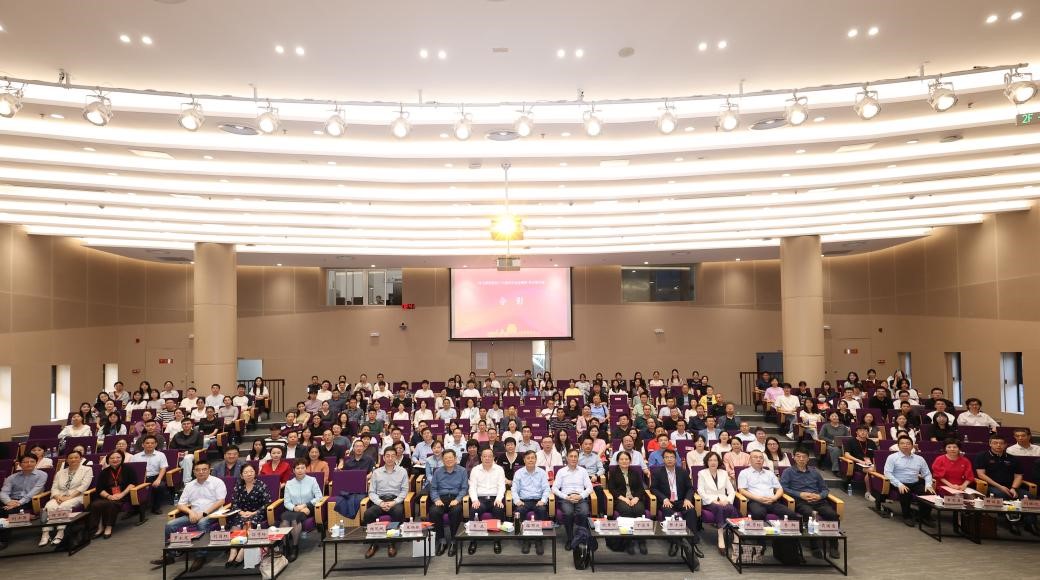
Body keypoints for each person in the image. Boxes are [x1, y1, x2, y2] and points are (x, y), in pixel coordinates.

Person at [151, 462, 227, 570]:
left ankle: (201, 556)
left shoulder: (217, 482)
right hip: (194, 514)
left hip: (212, 514)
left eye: (204, 469)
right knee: (170, 525)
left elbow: (220, 501)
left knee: (202, 522)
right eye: (198, 470)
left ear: (209, 470)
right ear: (194, 471)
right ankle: (170, 555)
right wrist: (191, 512)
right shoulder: (190, 485)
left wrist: (204, 513)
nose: (201, 472)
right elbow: (180, 504)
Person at [780, 448, 840, 559]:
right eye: (798, 456)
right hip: (801, 501)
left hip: (818, 500)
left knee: (833, 515)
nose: (801, 459)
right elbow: (783, 488)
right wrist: (800, 494)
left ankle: (834, 545)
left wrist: (819, 496)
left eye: (804, 457)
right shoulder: (788, 472)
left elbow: (825, 489)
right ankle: (814, 546)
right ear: (793, 457)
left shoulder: (814, 472)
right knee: (810, 514)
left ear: (808, 459)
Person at [973, 433, 1030, 534]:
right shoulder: (982, 456)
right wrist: (1000, 487)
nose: (998, 445)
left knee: (1029, 496)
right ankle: (1011, 522)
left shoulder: (1013, 459)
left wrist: (1013, 488)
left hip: (1011, 486)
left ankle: (1030, 524)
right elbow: (981, 475)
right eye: (995, 443)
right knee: (1001, 494)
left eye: (1001, 443)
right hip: (992, 486)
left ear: (1005, 445)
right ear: (990, 444)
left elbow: (1018, 476)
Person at [38, 449, 93, 547]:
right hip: (59, 496)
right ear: (67, 460)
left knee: (64, 506)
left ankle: (60, 532)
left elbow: (84, 486)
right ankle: (45, 534)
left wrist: (69, 497)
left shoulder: (87, 469)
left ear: (80, 459)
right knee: (49, 506)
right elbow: (54, 487)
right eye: (70, 458)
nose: (73, 460)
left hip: (77, 496)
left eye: (76, 457)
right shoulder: (60, 472)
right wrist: (57, 496)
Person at [363, 448, 409, 559]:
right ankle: (374, 543)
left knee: (398, 512)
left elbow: (404, 491)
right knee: (368, 514)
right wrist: (380, 503)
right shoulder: (376, 472)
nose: (390, 458)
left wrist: (394, 502)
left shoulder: (402, 471)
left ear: (396, 457)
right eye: (387, 456)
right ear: (383, 458)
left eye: (392, 456)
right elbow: (372, 492)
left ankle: (391, 542)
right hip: (380, 500)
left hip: (395, 500)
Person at [882, 435, 935, 527]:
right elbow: (888, 473)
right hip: (898, 482)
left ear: (912, 445)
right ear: (898, 445)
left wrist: (929, 484)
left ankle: (924, 516)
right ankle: (907, 516)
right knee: (905, 492)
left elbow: (927, 474)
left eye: (908, 443)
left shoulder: (919, 459)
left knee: (929, 493)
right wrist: (899, 484)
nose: (905, 445)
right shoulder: (892, 457)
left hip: (915, 482)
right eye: (902, 443)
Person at [225, 464, 272, 568]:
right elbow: (234, 503)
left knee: (248, 524)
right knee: (236, 525)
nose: (249, 474)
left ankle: (241, 554)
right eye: (246, 472)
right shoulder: (238, 486)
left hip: (257, 513)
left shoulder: (261, 485)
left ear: (255, 473)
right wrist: (241, 512)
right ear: (241, 476)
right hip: (242, 513)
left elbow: (267, 503)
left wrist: (253, 513)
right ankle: (232, 553)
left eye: (251, 471)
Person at [88, 450, 139, 540]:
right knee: (95, 504)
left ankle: (108, 527)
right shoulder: (104, 472)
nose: (115, 459)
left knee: (112, 504)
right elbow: (99, 488)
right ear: (108, 460)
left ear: (122, 459)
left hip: (124, 495)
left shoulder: (128, 469)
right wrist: (109, 496)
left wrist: (121, 494)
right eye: (112, 458)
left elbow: (133, 483)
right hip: (107, 495)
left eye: (118, 457)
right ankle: (99, 527)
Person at [279, 459, 323, 561]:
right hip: (292, 508)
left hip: (307, 508)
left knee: (295, 519)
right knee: (284, 519)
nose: (300, 470)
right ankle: (285, 546)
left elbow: (319, 497)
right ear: (293, 470)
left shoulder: (312, 480)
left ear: (306, 469)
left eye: (302, 468)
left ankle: (295, 546)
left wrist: (305, 505)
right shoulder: (289, 483)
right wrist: (294, 507)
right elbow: (286, 502)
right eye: (297, 468)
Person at [427, 448, 468, 556]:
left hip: (455, 498)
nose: (449, 460)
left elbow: (464, 488)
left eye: (451, 458)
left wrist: (457, 499)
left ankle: (454, 541)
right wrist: (436, 499)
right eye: (446, 458)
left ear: (455, 459)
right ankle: (442, 540)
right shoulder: (438, 472)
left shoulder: (462, 471)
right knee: (434, 511)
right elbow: (433, 488)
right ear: (442, 460)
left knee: (456, 511)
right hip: (441, 498)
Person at [737, 450, 798, 521]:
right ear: (750, 460)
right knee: (759, 513)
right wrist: (758, 498)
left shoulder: (769, 473)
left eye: (761, 458)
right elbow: (742, 490)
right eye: (755, 457)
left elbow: (779, 489)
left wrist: (774, 498)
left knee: (791, 515)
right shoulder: (744, 473)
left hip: (772, 501)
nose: (758, 459)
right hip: (755, 501)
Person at [607, 450, 649, 554]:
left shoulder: (634, 472)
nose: (624, 461)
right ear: (618, 461)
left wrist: (636, 498)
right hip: (621, 499)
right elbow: (612, 489)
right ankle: (629, 541)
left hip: (634, 498)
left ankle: (641, 540)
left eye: (626, 459)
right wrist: (624, 498)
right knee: (627, 512)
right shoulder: (613, 472)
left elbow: (641, 488)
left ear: (630, 461)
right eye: (621, 459)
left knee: (639, 510)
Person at [696, 451, 738, 553]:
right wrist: (712, 500)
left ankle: (736, 536)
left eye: (715, 460)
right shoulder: (702, 473)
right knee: (719, 508)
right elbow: (700, 490)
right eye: (710, 460)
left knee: (731, 508)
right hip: (709, 501)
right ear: (707, 461)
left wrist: (727, 500)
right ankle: (720, 536)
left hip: (723, 499)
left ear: (718, 461)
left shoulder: (723, 473)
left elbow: (731, 491)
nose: (713, 462)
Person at [466, 448, 506, 555]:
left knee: (499, 509)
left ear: (493, 458)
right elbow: (472, 487)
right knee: (474, 509)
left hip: (494, 498)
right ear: (481, 457)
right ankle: (473, 540)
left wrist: (498, 499)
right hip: (480, 499)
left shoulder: (499, 469)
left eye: (490, 456)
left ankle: (497, 540)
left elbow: (502, 486)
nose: (487, 458)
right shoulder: (475, 470)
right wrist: (474, 500)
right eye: (485, 456)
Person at [552, 449, 594, 548]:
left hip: (580, 497)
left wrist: (580, 496)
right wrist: (566, 497)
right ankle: (570, 538)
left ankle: (582, 536)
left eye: (575, 456)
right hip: (566, 498)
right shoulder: (561, 471)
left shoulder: (583, 471)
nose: (573, 459)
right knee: (568, 513)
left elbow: (589, 487)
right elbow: (554, 488)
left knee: (584, 512)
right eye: (571, 456)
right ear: (567, 458)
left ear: (578, 458)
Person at [512, 450, 550, 555]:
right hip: (524, 501)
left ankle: (539, 540)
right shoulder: (519, 473)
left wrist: (543, 500)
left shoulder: (542, 472)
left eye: (532, 458)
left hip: (538, 501)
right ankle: (525, 540)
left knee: (542, 511)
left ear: (536, 459)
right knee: (519, 512)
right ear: (524, 460)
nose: (530, 460)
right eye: (528, 458)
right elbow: (514, 489)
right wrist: (517, 500)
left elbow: (547, 489)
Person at [132, 435, 169, 514]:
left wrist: (158, 479)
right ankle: (134, 509)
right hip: (141, 478)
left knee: (160, 486)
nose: (150, 445)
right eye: (147, 443)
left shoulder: (161, 455)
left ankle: (156, 508)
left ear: (156, 444)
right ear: (143, 445)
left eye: (152, 443)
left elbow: (163, 468)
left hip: (155, 477)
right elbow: (133, 470)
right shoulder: (135, 457)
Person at [171, 417, 203, 483]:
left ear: (191, 425)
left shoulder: (197, 434)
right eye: (184, 424)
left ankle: (186, 481)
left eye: (188, 424)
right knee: (184, 461)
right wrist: (178, 453)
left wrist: (188, 452)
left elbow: (200, 446)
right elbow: (172, 447)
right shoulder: (177, 435)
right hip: (179, 455)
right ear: (181, 426)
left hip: (192, 453)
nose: (186, 425)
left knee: (187, 458)